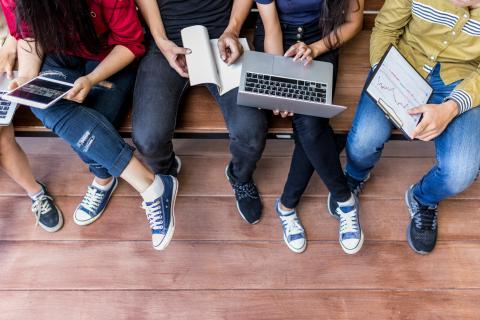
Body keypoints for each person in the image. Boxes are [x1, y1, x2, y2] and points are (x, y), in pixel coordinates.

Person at [1, 0, 177, 250]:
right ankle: (151, 185)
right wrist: (27, 79)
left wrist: (92, 79)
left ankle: (104, 178)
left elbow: (130, 42)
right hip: (59, 57)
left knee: (96, 122)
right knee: (44, 106)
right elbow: (29, 35)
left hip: (110, 55)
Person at [345, 0, 480, 254]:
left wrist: (451, 108)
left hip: (460, 81)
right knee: (363, 140)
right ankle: (355, 174)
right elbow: (385, 28)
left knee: (461, 171)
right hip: (402, 65)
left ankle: (422, 199)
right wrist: (387, 78)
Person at [134, 0, 268, 225]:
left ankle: (240, 177)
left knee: (251, 129)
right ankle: (168, 170)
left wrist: (232, 30)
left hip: (221, 34)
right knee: (148, 137)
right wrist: (161, 41)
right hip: (167, 38)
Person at [255, 0, 365, 254]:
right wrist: (280, 85)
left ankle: (287, 205)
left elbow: (354, 22)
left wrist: (315, 49)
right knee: (312, 126)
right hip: (278, 38)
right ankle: (345, 199)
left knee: (310, 123)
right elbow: (272, 29)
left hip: (322, 36)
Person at [0, 7, 63, 233]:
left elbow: (22, 13)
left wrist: (10, 39)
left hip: (17, 45)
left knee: (1, 136)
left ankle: (36, 192)